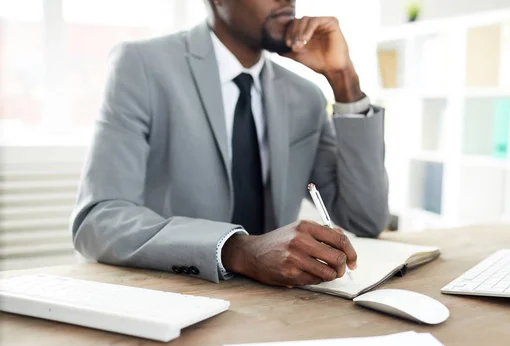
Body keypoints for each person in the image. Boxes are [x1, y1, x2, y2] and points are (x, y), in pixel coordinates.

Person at [71, 0, 389, 287]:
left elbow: (365, 217)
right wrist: (237, 249)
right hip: (174, 295)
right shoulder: (142, 65)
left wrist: (344, 80)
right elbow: (98, 220)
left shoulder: (305, 96)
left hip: (278, 306)